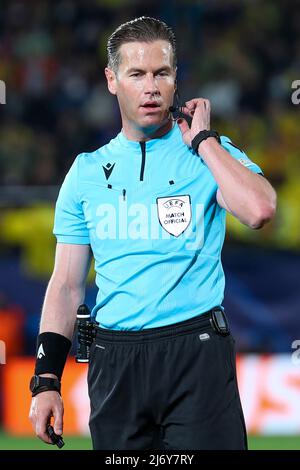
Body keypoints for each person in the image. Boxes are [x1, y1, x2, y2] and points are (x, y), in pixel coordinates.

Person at [29, 16, 276, 450]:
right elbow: (67, 285)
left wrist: (203, 142)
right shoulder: (85, 172)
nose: (151, 87)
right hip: (114, 361)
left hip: (195, 352)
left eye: (162, 73)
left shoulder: (208, 154)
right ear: (111, 80)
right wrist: (46, 379)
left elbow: (258, 210)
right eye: (137, 74)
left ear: (175, 78)